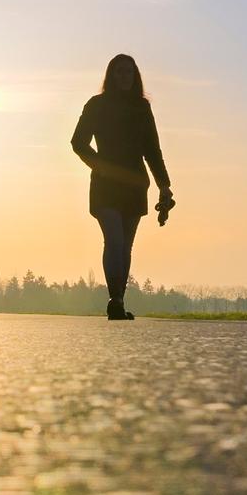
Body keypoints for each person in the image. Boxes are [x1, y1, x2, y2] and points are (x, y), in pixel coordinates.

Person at [69, 53, 175, 320]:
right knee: (114, 239)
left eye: (129, 72)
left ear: (135, 76)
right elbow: (78, 142)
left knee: (125, 245)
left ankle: (119, 299)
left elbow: (153, 149)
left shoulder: (142, 107)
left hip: (135, 183)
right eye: (119, 72)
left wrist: (165, 185)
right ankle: (114, 298)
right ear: (111, 76)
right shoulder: (96, 105)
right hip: (105, 183)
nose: (124, 76)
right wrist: (99, 165)